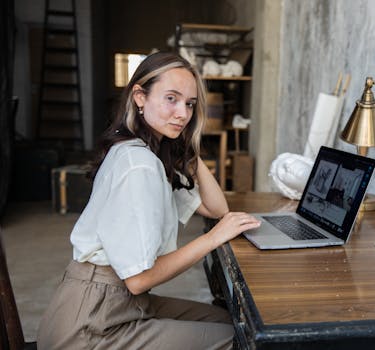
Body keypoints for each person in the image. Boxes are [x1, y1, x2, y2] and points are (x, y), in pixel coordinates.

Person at [37, 52, 261, 350]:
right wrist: (212, 238)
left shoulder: (148, 152)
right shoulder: (139, 164)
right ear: (139, 97)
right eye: (171, 98)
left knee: (225, 320)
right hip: (91, 325)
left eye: (190, 104)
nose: (183, 113)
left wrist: (187, 148)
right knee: (242, 340)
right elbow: (139, 279)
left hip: (112, 303)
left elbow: (217, 208)